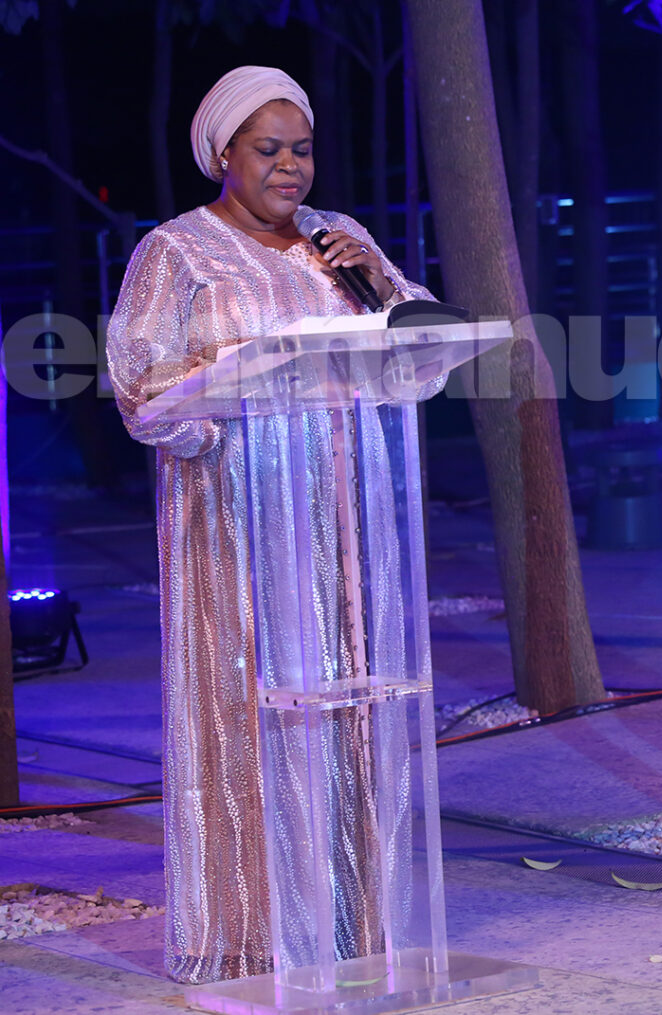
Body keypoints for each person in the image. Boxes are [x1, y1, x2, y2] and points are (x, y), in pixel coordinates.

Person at [108, 66, 435, 985]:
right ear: (223, 153)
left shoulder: (341, 241)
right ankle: (251, 938)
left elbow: (420, 361)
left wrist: (381, 285)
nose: (290, 167)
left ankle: (353, 930)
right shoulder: (176, 252)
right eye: (268, 149)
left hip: (345, 516)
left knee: (348, 708)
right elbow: (140, 386)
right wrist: (223, 398)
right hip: (235, 519)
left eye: (302, 150)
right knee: (247, 712)